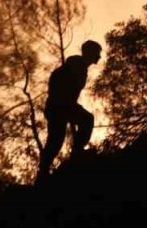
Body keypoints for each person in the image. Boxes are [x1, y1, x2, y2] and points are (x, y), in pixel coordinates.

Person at [36, 39, 101, 184]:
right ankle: (75, 153)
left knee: (55, 141)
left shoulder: (77, 66)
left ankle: (44, 171)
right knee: (58, 139)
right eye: (97, 53)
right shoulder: (77, 66)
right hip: (60, 106)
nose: (99, 56)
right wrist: (67, 107)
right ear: (90, 53)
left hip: (59, 106)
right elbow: (64, 89)